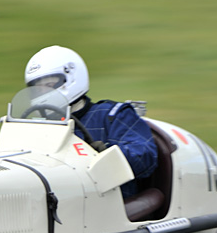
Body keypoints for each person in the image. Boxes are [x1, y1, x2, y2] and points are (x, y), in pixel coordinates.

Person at [24, 45, 157, 199]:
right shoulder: (40, 125)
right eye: (38, 89)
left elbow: (145, 155)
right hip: (61, 198)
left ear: (71, 77)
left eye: (49, 85)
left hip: (108, 204)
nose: (44, 93)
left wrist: (102, 155)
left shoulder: (113, 115)